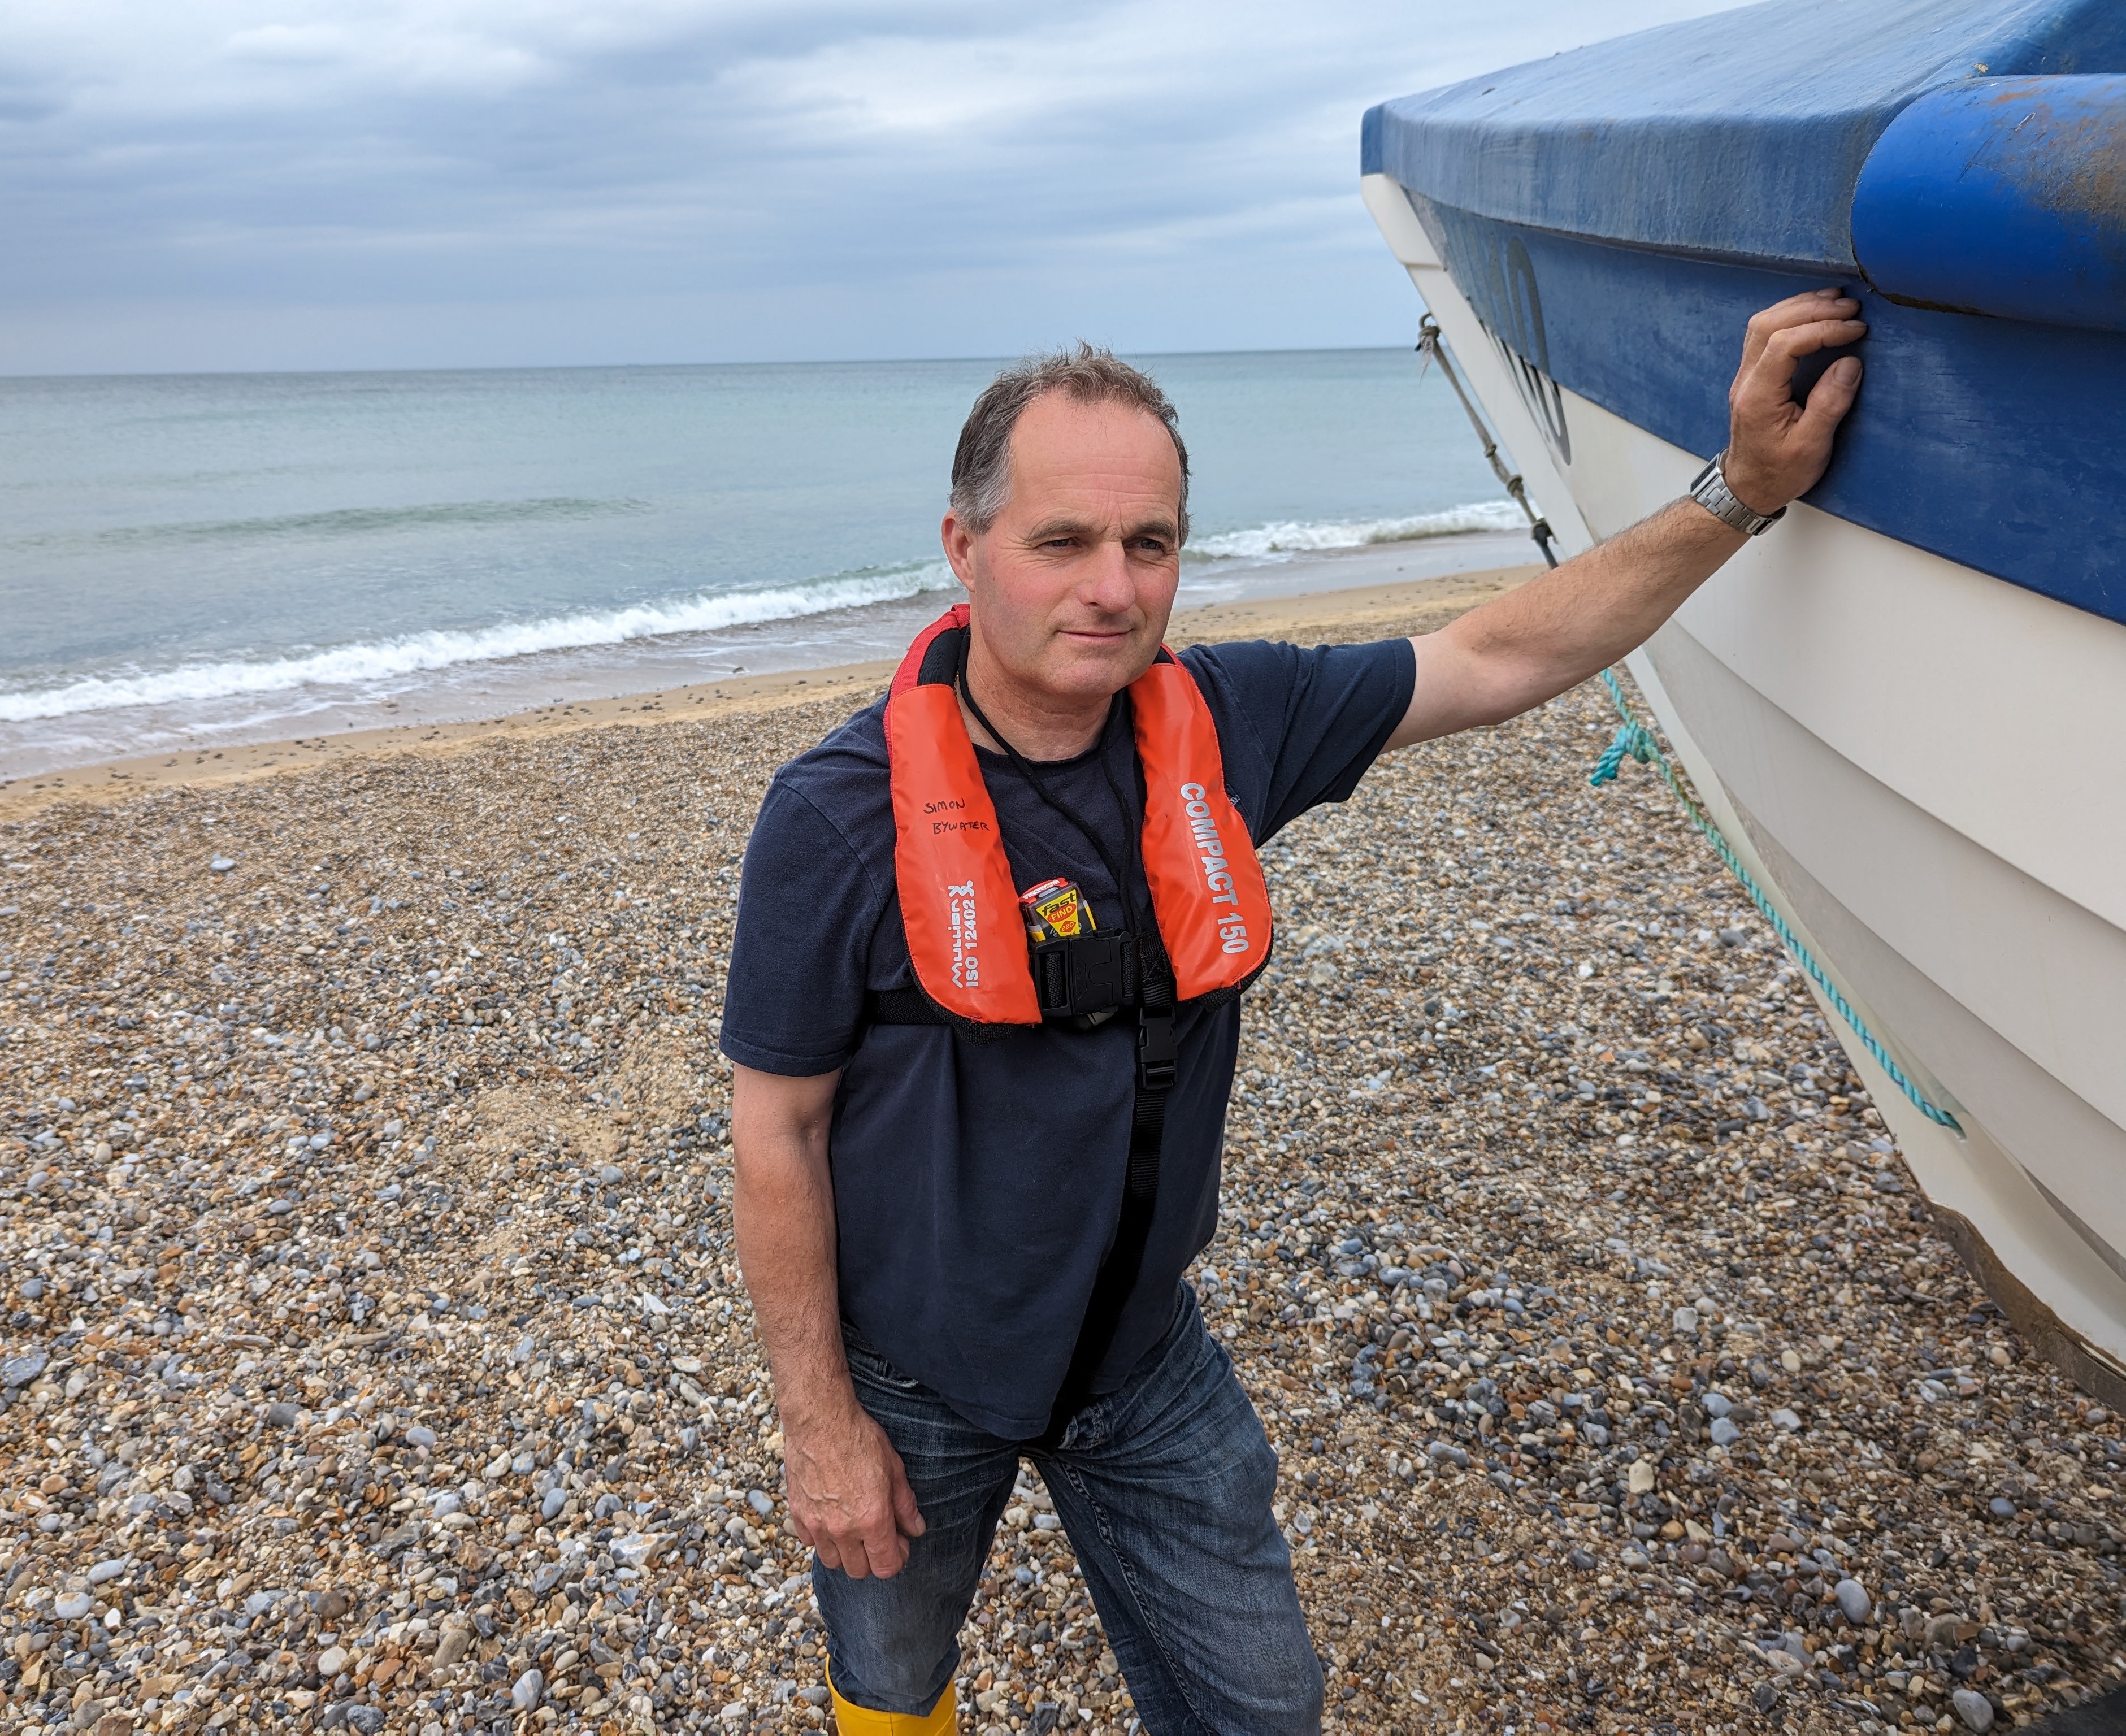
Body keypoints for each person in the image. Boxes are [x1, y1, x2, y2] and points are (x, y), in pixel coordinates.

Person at [719, 290, 1865, 1735]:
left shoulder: (1233, 720)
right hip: (914, 1374)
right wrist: (821, 1425)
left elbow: (1496, 658)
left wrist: (1740, 493)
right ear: (965, 549)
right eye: (1061, 541)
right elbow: (778, 1128)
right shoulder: (833, 820)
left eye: (1151, 544)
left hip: (1142, 1361)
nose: (1114, 589)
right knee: (890, 1674)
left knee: (1263, 1706)